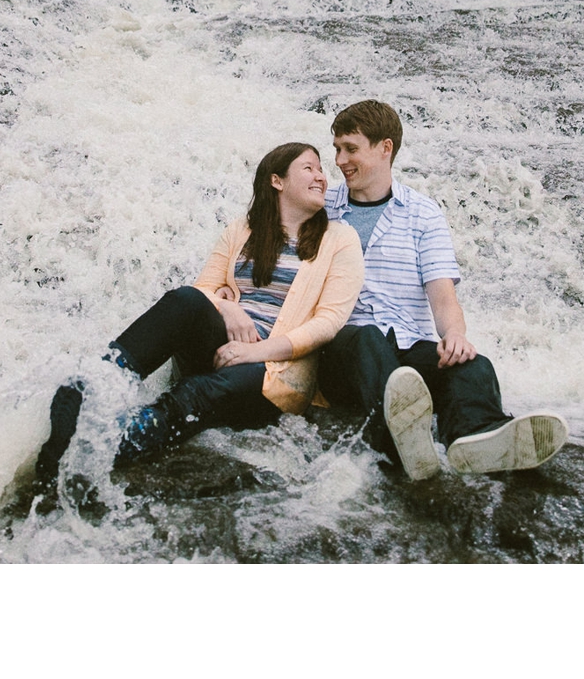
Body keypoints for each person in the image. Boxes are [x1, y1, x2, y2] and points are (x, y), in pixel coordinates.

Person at [31, 141, 364, 496]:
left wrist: (259, 351)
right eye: (309, 168)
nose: (321, 177)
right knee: (184, 300)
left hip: (273, 372)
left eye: (320, 170)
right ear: (277, 181)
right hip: (223, 347)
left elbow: (329, 322)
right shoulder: (242, 230)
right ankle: (96, 385)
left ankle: (102, 449)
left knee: (196, 391)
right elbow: (204, 288)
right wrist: (228, 307)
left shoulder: (340, 239)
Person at [318, 99, 568, 481]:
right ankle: (398, 440)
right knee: (367, 339)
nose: (339, 160)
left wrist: (455, 336)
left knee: (472, 364)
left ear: (385, 148)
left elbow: (443, 297)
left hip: (406, 351)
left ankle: (477, 437)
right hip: (342, 352)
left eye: (351, 148)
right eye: (337, 149)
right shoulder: (323, 209)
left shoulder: (422, 213)